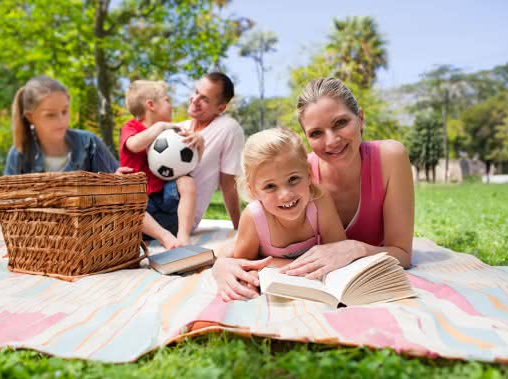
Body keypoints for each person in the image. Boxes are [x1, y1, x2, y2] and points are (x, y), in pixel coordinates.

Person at [212, 77, 414, 300]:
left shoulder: (390, 158)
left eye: (340, 123)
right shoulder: (296, 175)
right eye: (316, 133)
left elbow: (402, 254)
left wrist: (354, 248)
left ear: (361, 118)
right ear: (307, 138)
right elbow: (252, 234)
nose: (331, 141)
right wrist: (220, 266)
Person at [3, 75, 183, 250]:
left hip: (91, 235)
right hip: (44, 240)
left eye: (65, 111)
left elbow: (123, 194)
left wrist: (115, 182)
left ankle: (164, 234)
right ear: (30, 117)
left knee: (124, 194)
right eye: (50, 115)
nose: (62, 120)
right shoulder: (20, 154)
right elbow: (9, 208)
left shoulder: (88, 142)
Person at [222, 128, 346, 301]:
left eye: (293, 179)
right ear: (254, 190)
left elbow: (339, 250)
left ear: (309, 174)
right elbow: (244, 266)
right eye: (270, 186)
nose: (286, 195)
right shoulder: (254, 217)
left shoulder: (319, 200)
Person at [120, 80, 203, 247]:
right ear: (150, 105)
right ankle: (164, 237)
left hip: (166, 203)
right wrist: (159, 126)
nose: (171, 106)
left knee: (187, 181)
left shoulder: (171, 134)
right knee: (126, 199)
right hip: (141, 211)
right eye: (167, 100)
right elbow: (134, 145)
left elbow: (191, 163)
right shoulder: (131, 127)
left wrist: (200, 143)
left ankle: (183, 236)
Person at [176, 72, 244, 230]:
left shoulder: (228, 129)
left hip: (177, 218)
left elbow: (228, 182)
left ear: (220, 108)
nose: (195, 100)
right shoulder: (177, 129)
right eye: (196, 92)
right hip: (153, 204)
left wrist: (238, 227)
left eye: (204, 99)